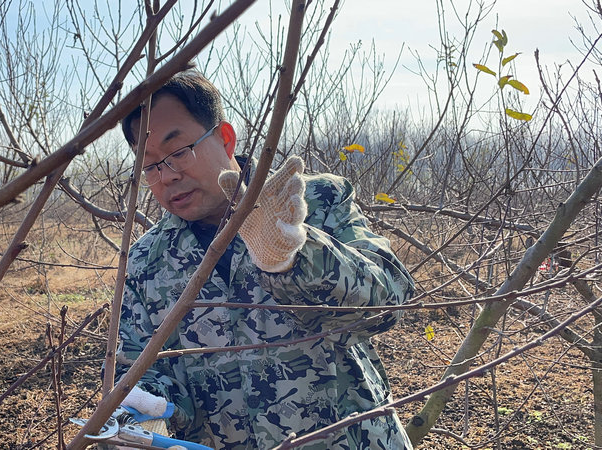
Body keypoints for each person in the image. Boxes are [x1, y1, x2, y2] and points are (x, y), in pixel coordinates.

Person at [111, 70, 415, 449]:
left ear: (225, 138)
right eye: (150, 165)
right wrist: (144, 407)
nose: (166, 176)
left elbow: (390, 303)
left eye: (178, 153)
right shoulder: (146, 261)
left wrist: (295, 256)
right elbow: (143, 364)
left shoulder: (313, 202)